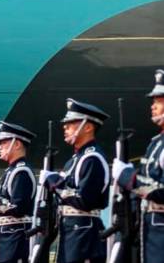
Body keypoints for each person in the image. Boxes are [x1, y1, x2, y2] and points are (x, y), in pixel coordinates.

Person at [42, 98, 110, 263]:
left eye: (71, 123)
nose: (65, 127)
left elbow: (84, 200)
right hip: (71, 229)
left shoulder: (92, 158)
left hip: (84, 232)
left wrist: (55, 184)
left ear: (87, 127)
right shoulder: (73, 160)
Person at [113, 69, 164, 260]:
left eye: (158, 101)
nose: (153, 106)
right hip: (151, 231)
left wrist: (128, 177)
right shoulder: (156, 142)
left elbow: (160, 190)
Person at [0, 121, 37, 263]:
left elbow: (16, 208)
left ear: (16, 144)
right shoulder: (11, 171)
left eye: (4, 142)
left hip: (16, 237)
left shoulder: (21, 172)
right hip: (8, 237)